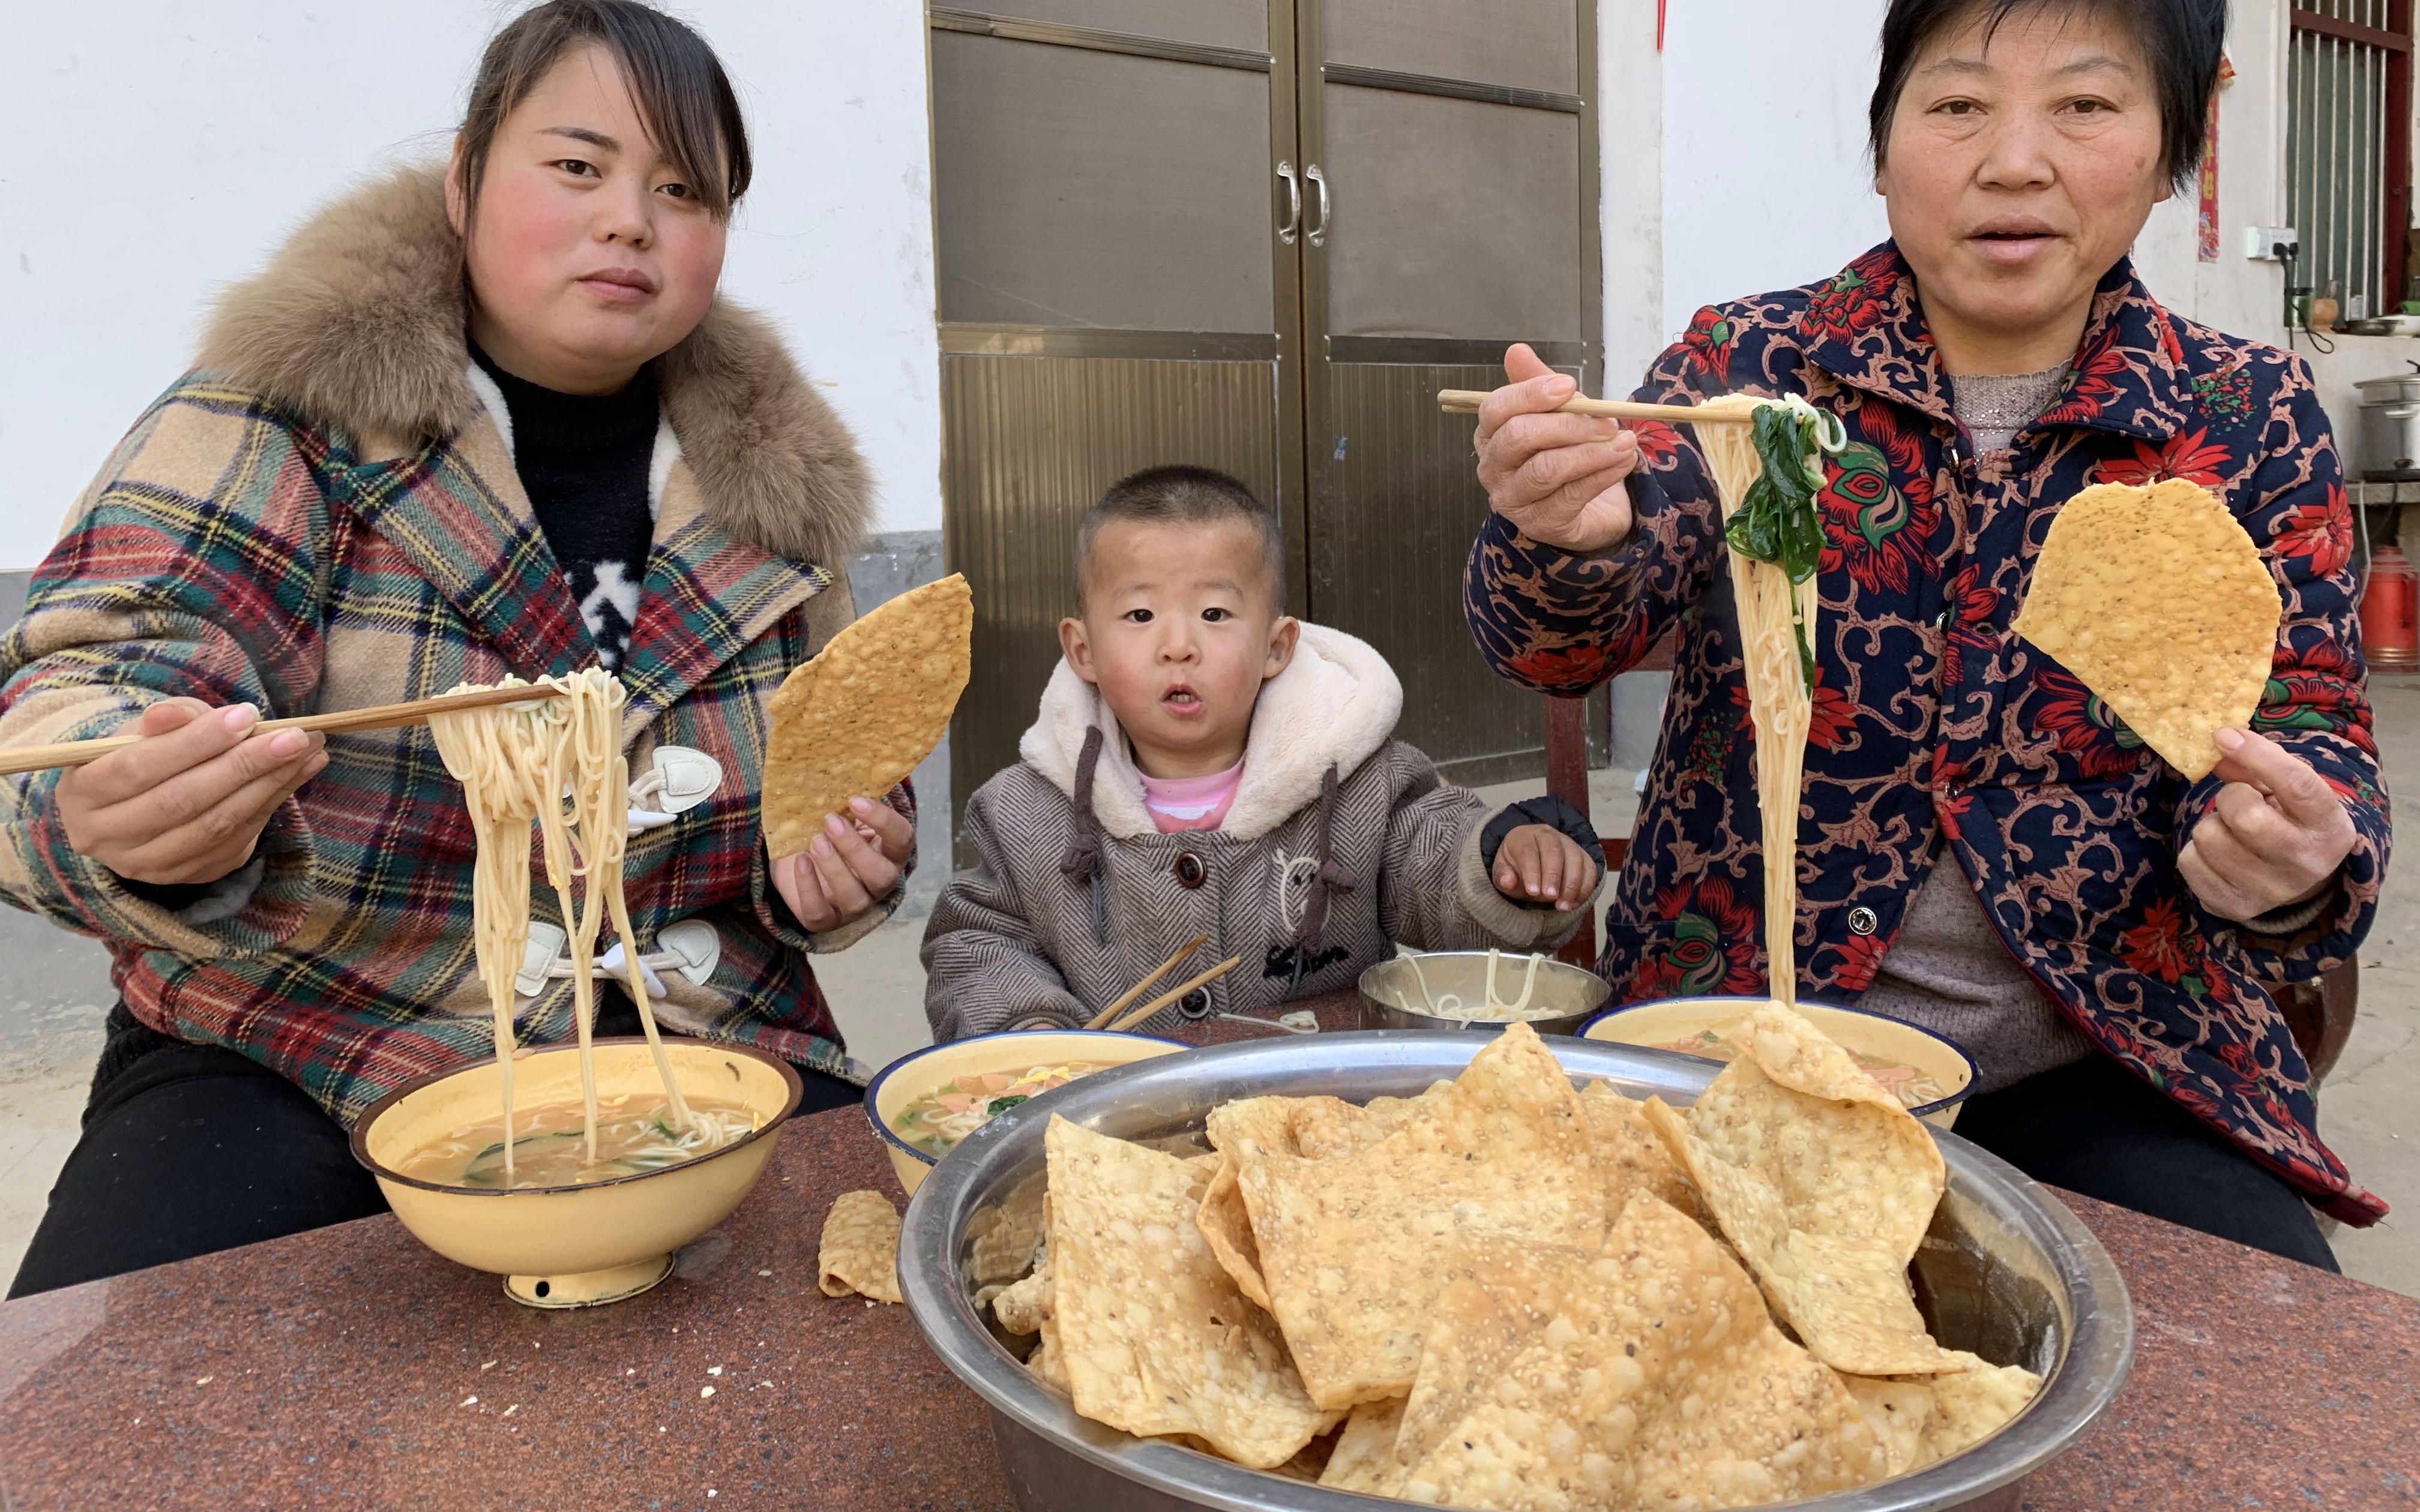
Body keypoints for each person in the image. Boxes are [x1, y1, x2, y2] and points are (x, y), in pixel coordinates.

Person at [1, 0, 913, 1297]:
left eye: (684, 189)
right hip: (302, 1032)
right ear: (465, 183)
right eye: (578, 167)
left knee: (905, 1355)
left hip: (700, 1040)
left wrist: (840, 865)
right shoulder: (289, 407)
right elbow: (105, 667)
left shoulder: (778, 483)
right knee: (106, 1420)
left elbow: (852, 759)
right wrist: (114, 797)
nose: (629, 221)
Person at [1461, 0, 2384, 1265]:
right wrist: (1567, 537)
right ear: (1885, 145)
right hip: (1749, 1040)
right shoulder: (1753, 366)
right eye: (1957, 105)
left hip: (2116, 1058)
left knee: (2262, 1398)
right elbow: (1559, 645)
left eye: (2085, 104)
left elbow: (2311, 723)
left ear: (2173, 147)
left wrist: (2298, 863)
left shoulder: (2244, 409)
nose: (2014, 159)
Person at [923, 466, 1604, 1038]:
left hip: (1325, 1117)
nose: (1178, 645)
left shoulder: (1358, 779)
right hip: (1112, 1135)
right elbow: (978, 943)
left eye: (1215, 614)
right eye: (1139, 615)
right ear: (1082, 650)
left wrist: (1501, 860)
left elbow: (1433, 859)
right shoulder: (1023, 813)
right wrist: (1030, 1035)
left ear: (1278, 647)